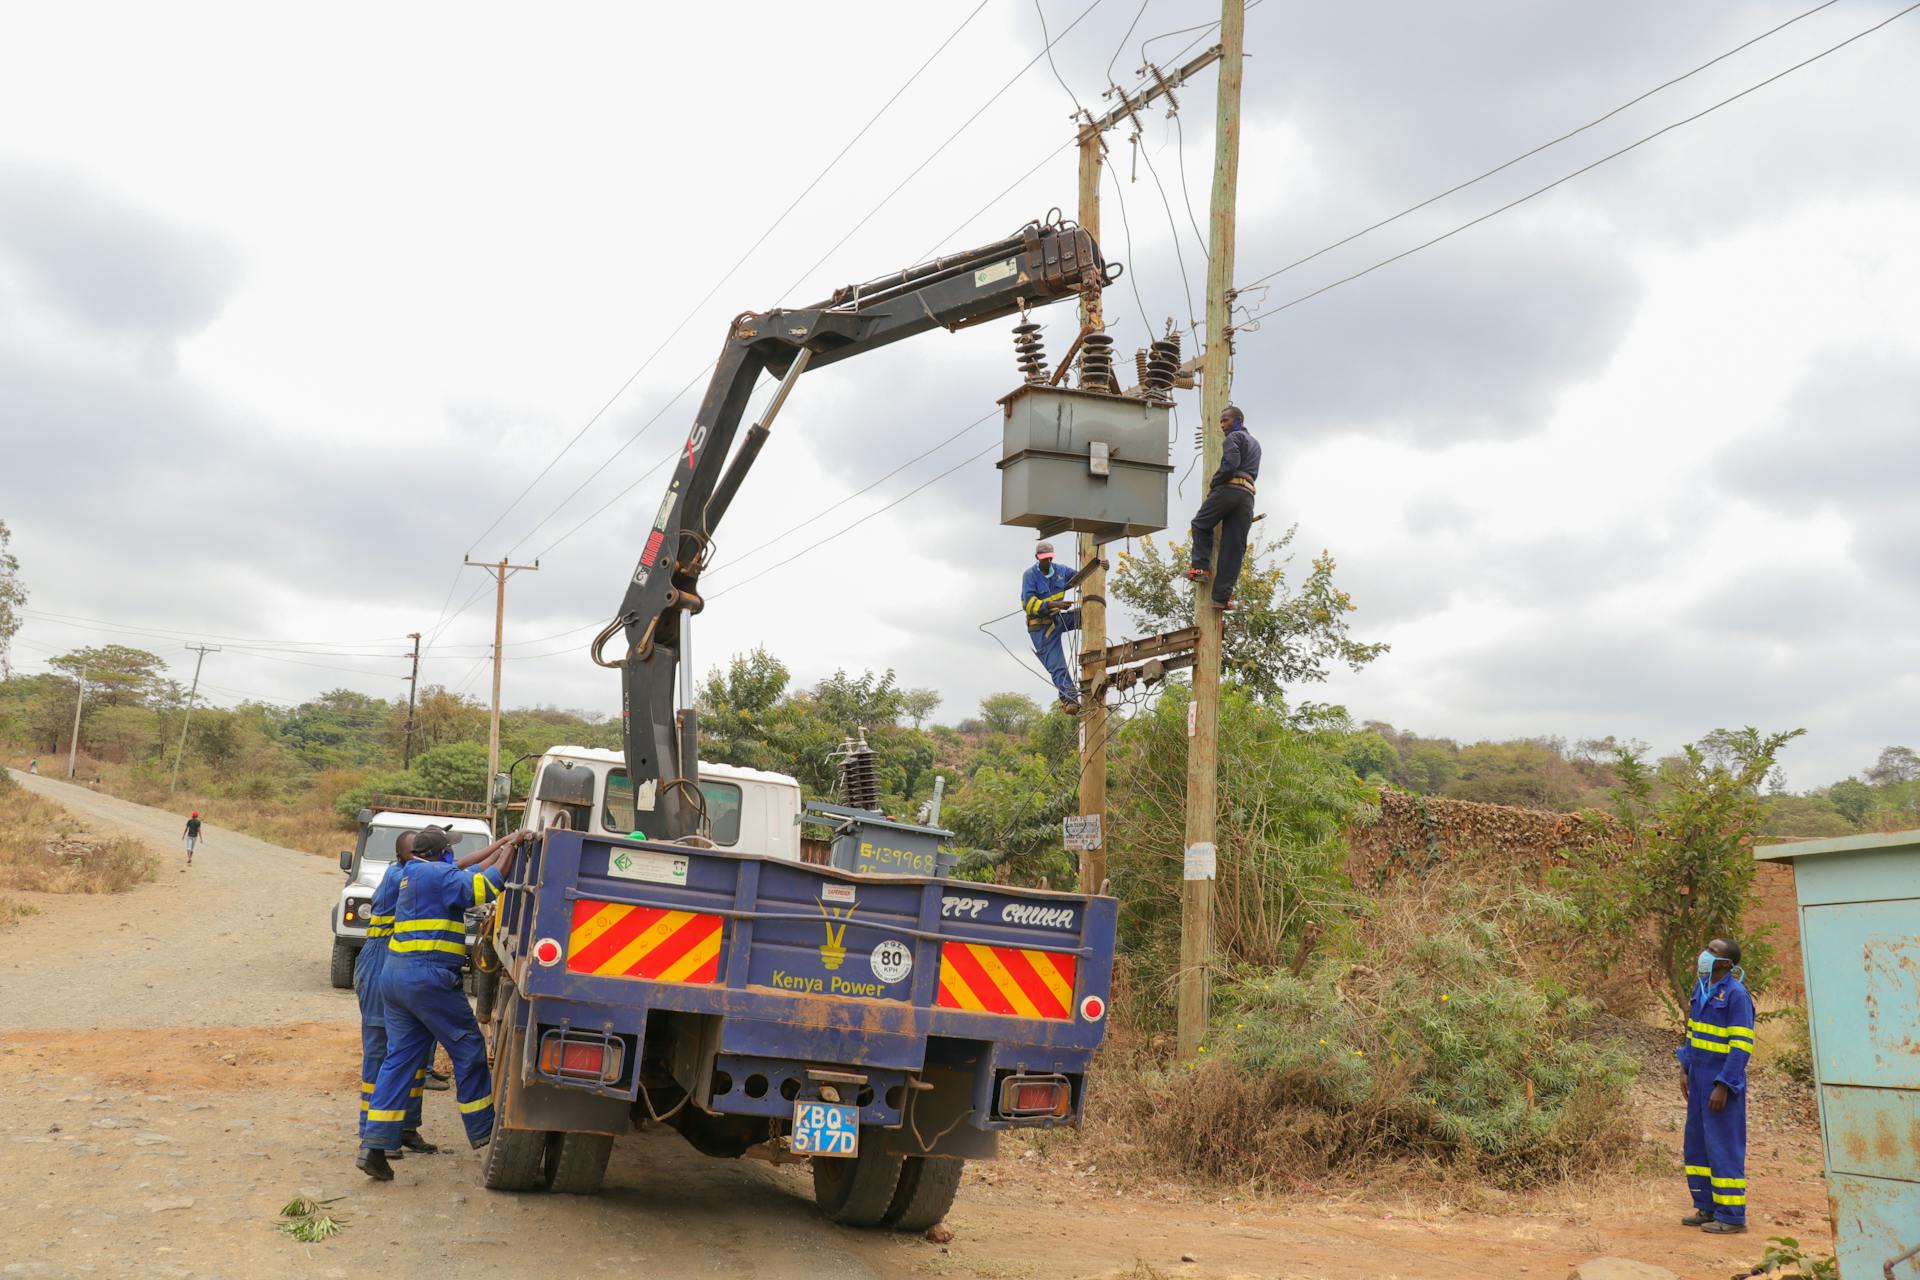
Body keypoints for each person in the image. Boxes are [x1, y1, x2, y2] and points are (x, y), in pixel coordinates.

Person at [358, 826, 527, 1180]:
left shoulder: (413, 872)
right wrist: (513, 847)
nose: (453, 854)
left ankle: (374, 1145)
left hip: (396, 978)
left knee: (399, 1060)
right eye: (448, 850)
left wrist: (500, 844)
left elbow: (464, 868)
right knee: (467, 1048)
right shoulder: (438, 876)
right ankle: (483, 1131)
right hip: (429, 979)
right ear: (439, 854)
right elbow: (487, 885)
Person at [353, 829, 436, 1161]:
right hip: (380, 965)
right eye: (432, 854)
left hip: (406, 967)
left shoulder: (414, 873)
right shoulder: (399, 875)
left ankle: (405, 1128)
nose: (441, 860)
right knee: (381, 1052)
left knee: (415, 1052)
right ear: (410, 857)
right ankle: (374, 1135)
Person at [1678, 937, 1753, 1235]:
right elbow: (1692, 1032)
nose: (1705, 955)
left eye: (1712, 952)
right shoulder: (1702, 987)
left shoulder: (1737, 996)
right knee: (1697, 1144)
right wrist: (1684, 1068)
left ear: (1726, 963)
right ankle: (1707, 1206)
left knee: (1723, 1146)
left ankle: (1732, 1216)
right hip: (1697, 1078)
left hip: (1721, 1082)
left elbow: (1741, 1046)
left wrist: (1724, 1084)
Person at [1184, 405, 1261, 610]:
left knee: (1200, 524)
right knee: (1234, 546)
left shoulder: (1234, 438)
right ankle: (1221, 598)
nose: (1222, 425)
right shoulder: (1256, 444)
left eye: (1225, 420)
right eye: (1221, 421)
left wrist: (1214, 483)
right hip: (1247, 496)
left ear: (1238, 421)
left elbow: (1231, 462)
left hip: (1229, 489)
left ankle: (1200, 568)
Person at [1021, 540, 1081, 713]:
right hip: (1041, 628)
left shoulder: (1061, 571)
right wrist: (1055, 605)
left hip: (1057, 620)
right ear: (1037, 558)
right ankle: (1070, 700)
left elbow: (1081, 576)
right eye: (1044, 559)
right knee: (1058, 666)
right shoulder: (1030, 576)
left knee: (1085, 616)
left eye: (1049, 558)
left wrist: (1099, 566)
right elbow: (1029, 604)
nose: (1047, 562)